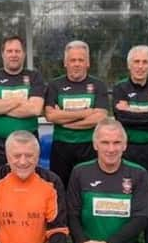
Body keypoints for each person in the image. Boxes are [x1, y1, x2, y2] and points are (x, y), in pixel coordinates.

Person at [44, 40, 108, 187]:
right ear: (66, 63)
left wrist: (65, 120)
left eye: (81, 60)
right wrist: (86, 112)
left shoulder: (98, 85)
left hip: (89, 146)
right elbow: (51, 116)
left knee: (87, 187)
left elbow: (100, 117)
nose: (77, 64)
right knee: (60, 187)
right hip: (61, 147)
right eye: (73, 60)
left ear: (88, 63)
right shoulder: (55, 85)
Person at [0, 35, 45, 171]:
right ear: (3, 54)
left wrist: (0, 106)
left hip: (28, 144)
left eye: (17, 51)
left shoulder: (35, 77)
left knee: (27, 187)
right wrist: (18, 101)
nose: (13, 55)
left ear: (24, 54)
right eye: (9, 51)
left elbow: (35, 109)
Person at [112, 45, 148, 185]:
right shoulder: (120, 88)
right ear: (129, 65)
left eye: (145, 62)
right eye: (136, 62)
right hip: (127, 148)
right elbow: (122, 118)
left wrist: (131, 112)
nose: (140, 66)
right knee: (127, 187)